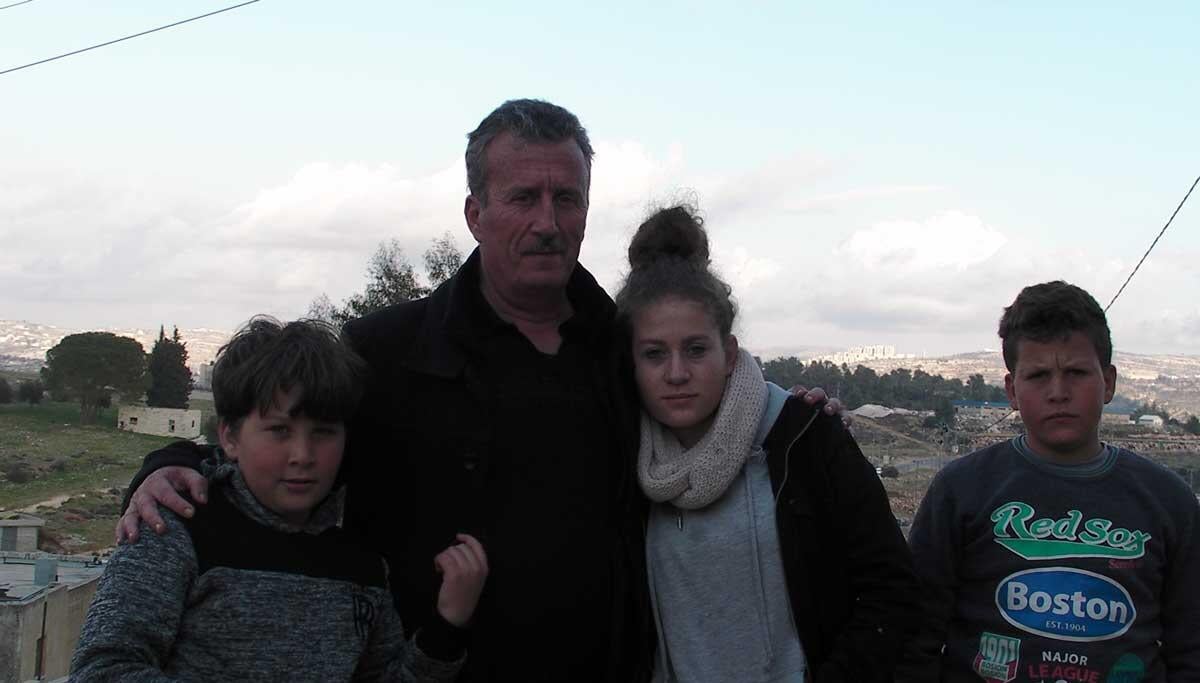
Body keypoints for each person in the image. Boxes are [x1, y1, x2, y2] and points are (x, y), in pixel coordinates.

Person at [117, 100, 843, 682]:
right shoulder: (387, 350)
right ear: (475, 213)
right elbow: (282, 428)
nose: (548, 222)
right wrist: (165, 465)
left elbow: (712, 407)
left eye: (568, 198)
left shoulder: (624, 351)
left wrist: (800, 417)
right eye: (523, 197)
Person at [72, 317, 487, 682]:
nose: (303, 456)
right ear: (230, 436)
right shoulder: (176, 528)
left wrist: (445, 629)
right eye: (279, 431)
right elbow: (104, 668)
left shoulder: (360, 564)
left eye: (323, 432)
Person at [615, 205, 919, 682]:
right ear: (629, 361)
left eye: (696, 349)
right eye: (654, 354)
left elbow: (892, 590)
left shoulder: (804, 437)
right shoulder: (623, 458)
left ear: (729, 353)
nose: (676, 373)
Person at [897, 282, 1200, 682]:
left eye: (1075, 372)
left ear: (1108, 382)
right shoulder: (960, 491)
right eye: (1038, 375)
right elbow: (912, 639)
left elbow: (1191, 651)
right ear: (1012, 390)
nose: (1058, 392)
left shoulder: (1169, 502)